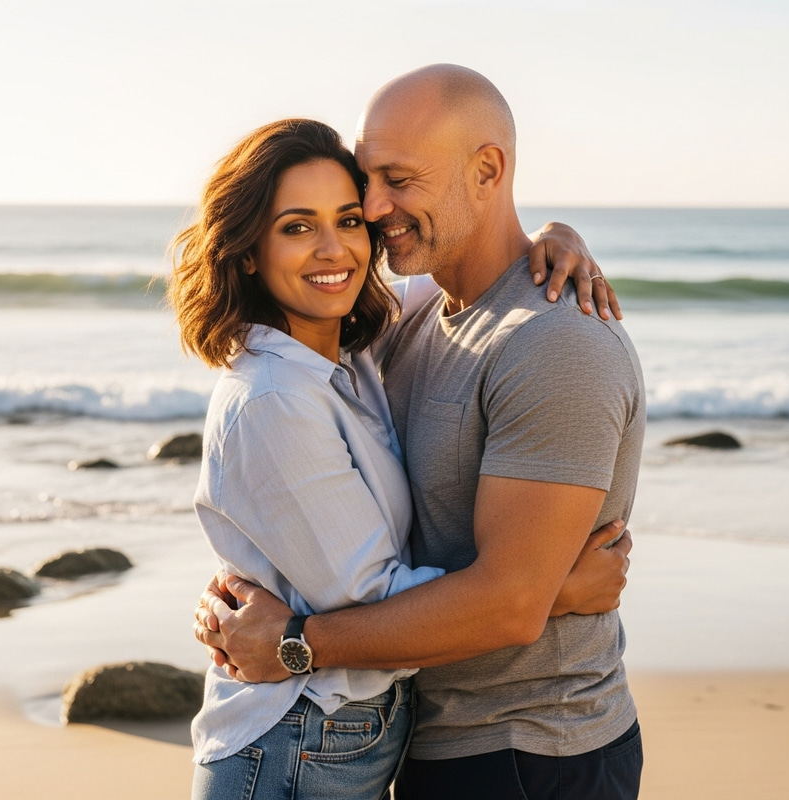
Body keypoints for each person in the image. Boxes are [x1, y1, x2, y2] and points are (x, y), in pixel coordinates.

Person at [196, 64, 646, 800]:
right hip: (421, 739)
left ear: (487, 170)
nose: (372, 211)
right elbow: (292, 470)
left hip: (532, 751)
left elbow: (510, 603)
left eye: (396, 181)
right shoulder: (408, 323)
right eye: (366, 182)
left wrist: (291, 644)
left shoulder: (555, 344)